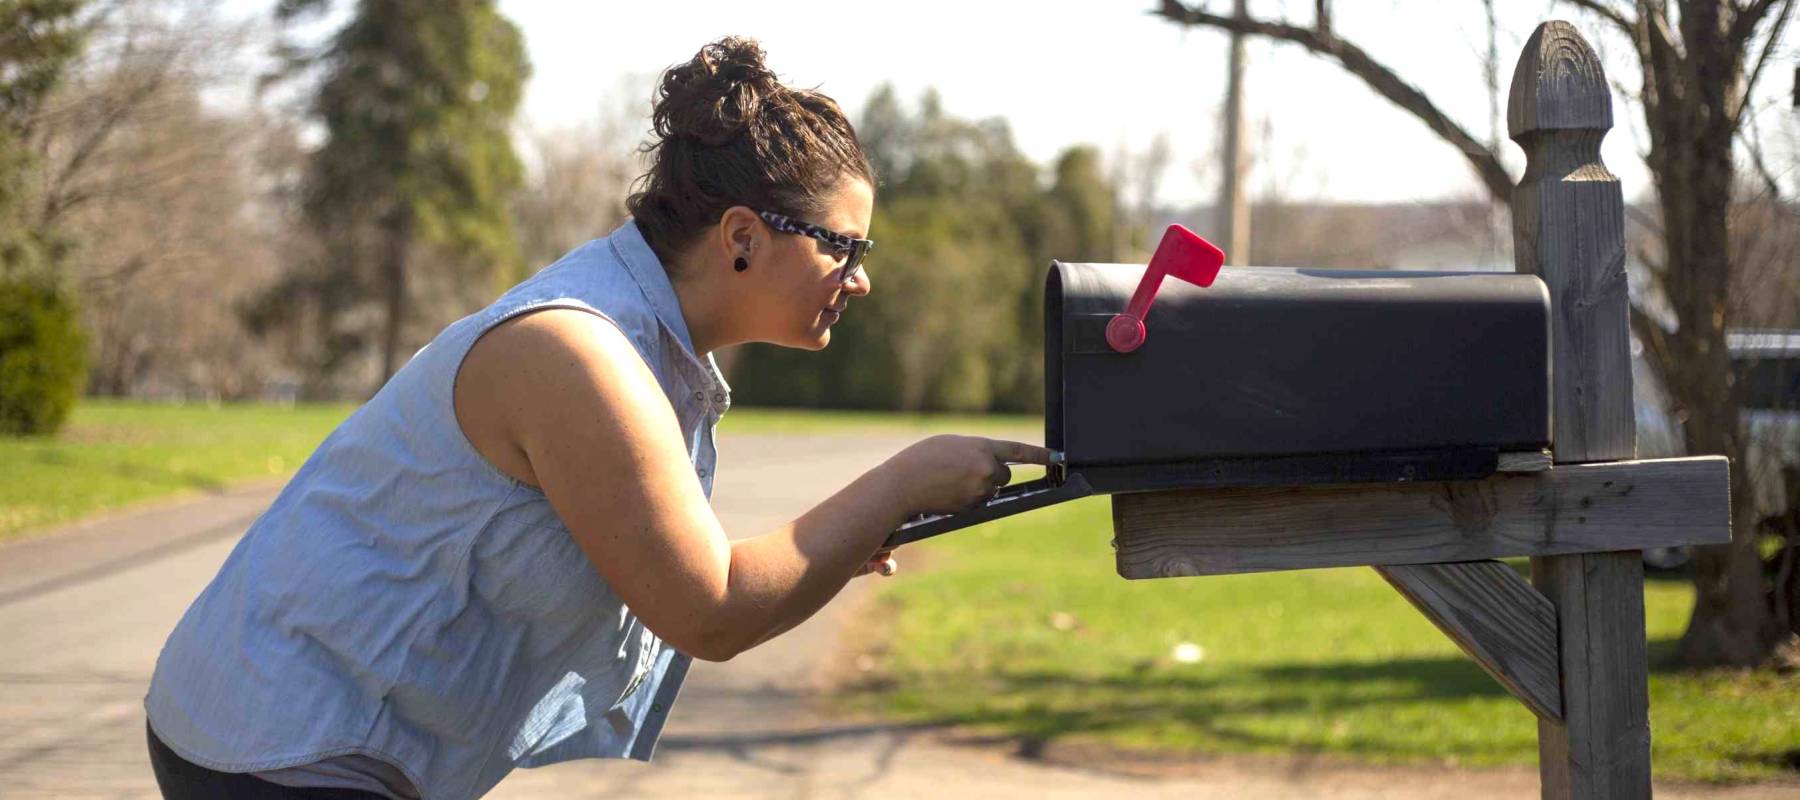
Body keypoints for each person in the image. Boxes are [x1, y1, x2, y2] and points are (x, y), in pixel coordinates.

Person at [142, 36, 1049, 800]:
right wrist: (900, 481)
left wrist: (849, 535)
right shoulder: (582, 353)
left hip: (314, 733)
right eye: (842, 246)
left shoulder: (643, 337)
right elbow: (713, 609)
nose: (860, 278)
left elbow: (669, 556)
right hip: (279, 741)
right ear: (741, 237)